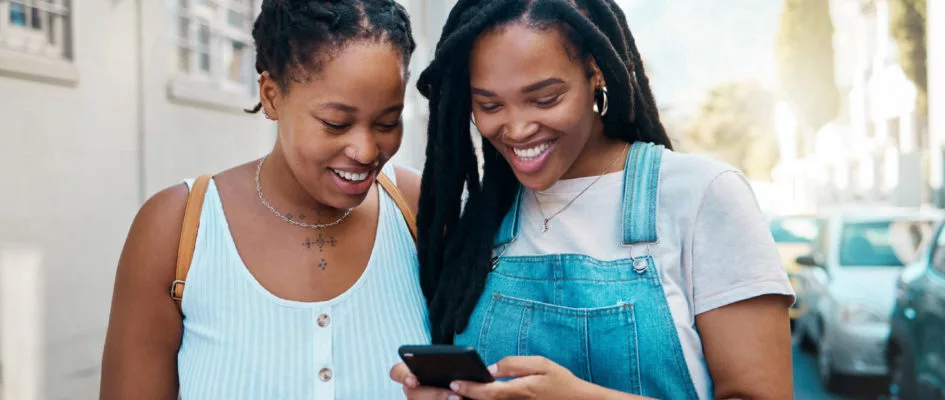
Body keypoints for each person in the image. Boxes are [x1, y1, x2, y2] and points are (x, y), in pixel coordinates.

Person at [391, 0, 795, 399]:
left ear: (596, 73)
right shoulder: (478, 220)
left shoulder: (701, 195)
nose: (515, 129)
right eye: (489, 105)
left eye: (545, 99)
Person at [101, 1, 429, 398]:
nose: (364, 150)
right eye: (335, 124)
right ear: (271, 96)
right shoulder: (177, 229)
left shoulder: (418, 210)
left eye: (387, 123)